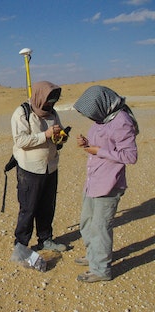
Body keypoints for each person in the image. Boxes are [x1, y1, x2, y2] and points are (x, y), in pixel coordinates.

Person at [74, 86, 138, 283]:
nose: (91, 118)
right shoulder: (103, 118)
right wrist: (87, 144)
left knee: (101, 227)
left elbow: (130, 156)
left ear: (102, 104)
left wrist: (98, 151)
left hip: (109, 184)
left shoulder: (122, 122)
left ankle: (101, 269)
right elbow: (100, 144)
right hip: (94, 180)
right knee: (86, 222)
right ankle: (94, 255)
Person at [10, 81, 68, 263]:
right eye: (47, 102)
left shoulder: (53, 113)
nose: (49, 106)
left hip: (50, 167)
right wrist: (46, 135)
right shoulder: (22, 113)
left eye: (52, 103)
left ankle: (45, 239)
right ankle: (21, 244)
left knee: (47, 206)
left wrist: (60, 137)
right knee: (28, 208)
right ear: (39, 97)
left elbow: (56, 136)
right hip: (29, 169)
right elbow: (20, 141)